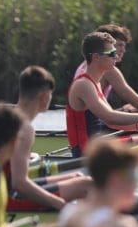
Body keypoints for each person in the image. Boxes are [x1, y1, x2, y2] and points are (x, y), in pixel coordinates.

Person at [67, 32, 138, 159]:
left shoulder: (95, 84)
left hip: (99, 147)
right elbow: (110, 117)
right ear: (96, 57)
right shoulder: (83, 84)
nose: (116, 57)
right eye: (111, 53)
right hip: (87, 153)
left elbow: (111, 124)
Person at [11, 66, 89, 206]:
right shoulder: (25, 128)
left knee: (77, 176)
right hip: (9, 197)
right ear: (44, 96)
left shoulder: (8, 118)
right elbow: (19, 184)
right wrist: (58, 203)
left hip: (5, 188)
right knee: (86, 185)